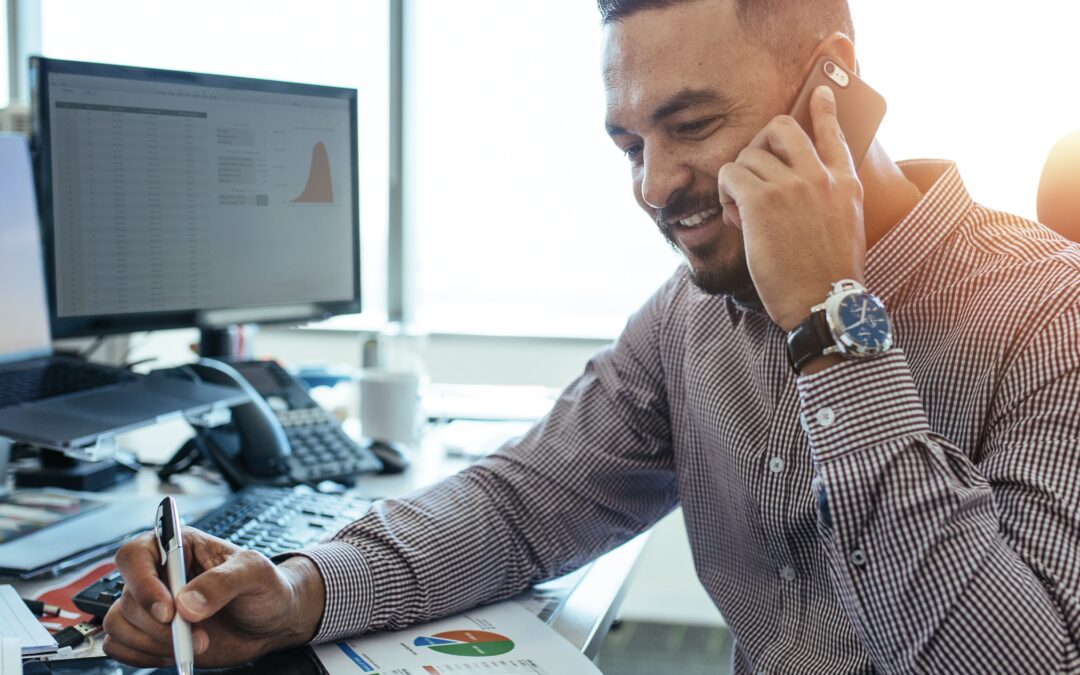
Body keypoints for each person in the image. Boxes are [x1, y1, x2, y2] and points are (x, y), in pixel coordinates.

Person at [104, 0, 1080, 671]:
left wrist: (830, 322)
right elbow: (525, 505)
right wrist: (303, 588)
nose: (653, 187)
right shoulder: (689, 317)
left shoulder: (1051, 318)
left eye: (692, 125)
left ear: (836, 85)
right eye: (629, 143)